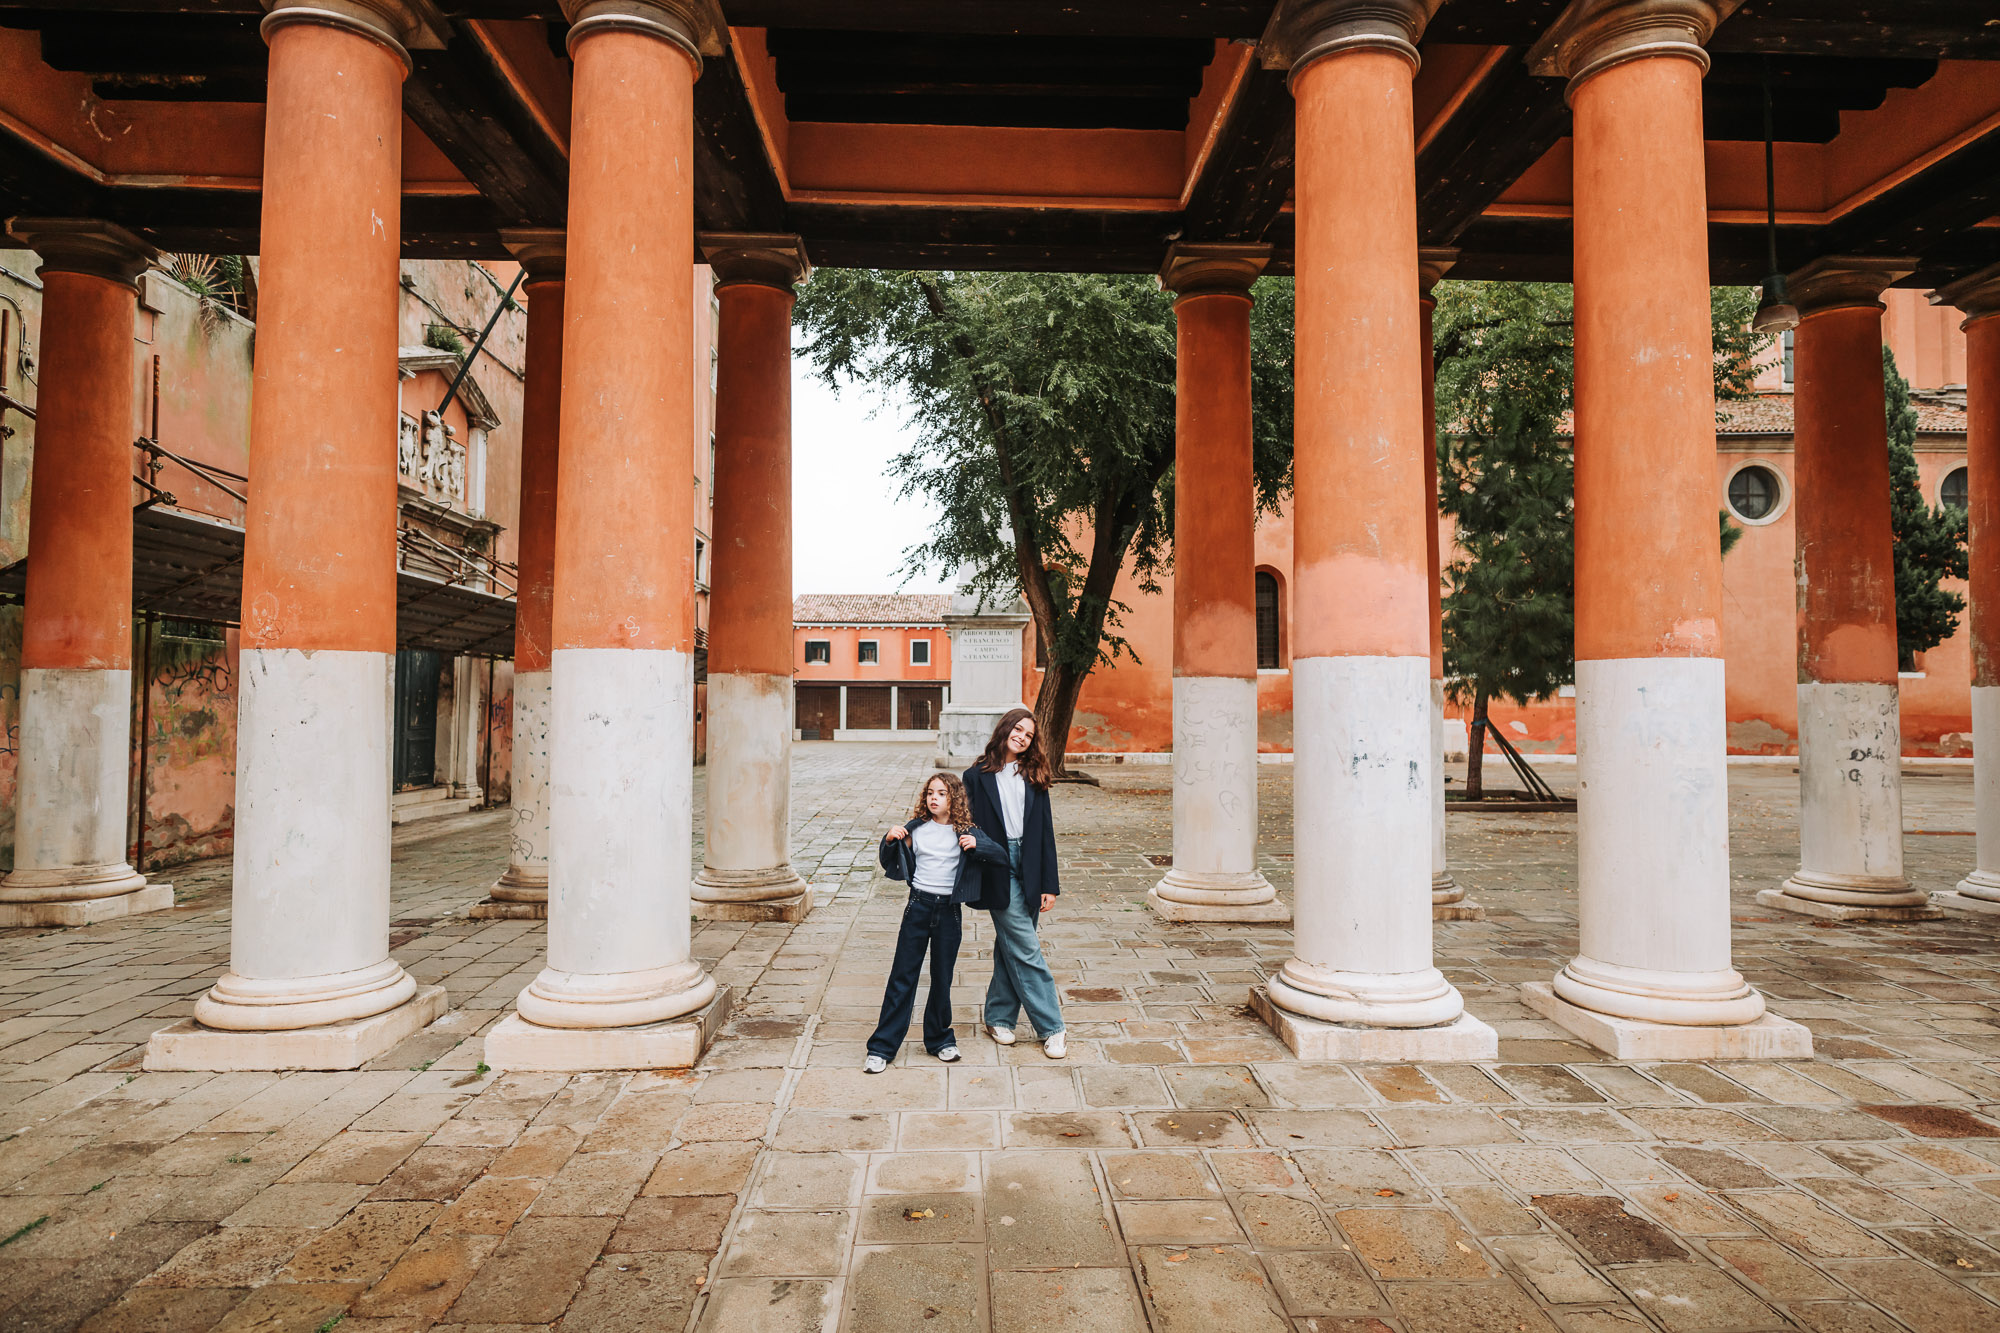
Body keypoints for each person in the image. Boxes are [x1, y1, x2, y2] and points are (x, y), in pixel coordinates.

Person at [865, 772, 1008, 1074]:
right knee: (902, 977)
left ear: (953, 798)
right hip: (918, 907)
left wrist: (977, 846)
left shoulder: (966, 831)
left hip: (949, 912)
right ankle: (881, 1047)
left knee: (942, 978)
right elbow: (888, 859)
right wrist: (889, 839)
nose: (934, 798)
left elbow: (1000, 856)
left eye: (942, 793)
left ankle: (940, 1040)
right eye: (930, 792)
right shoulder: (915, 829)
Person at [963, 707, 1067, 1058]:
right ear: (1005, 729)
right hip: (997, 861)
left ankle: (998, 1017)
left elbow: (1046, 832)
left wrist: (1049, 883)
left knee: (1013, 944)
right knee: (1025, 945)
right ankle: (1052, 1027)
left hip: (1031, 863)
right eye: (1018, 729)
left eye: (1029, 734)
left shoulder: (1034, 773)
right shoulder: (976, 776)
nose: (1022, 736)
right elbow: (966, 822)